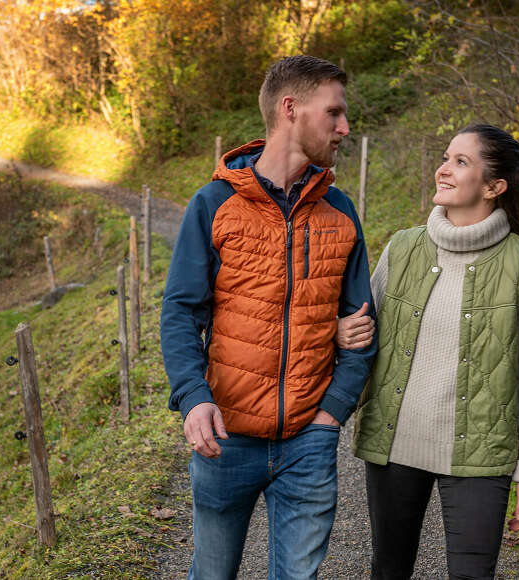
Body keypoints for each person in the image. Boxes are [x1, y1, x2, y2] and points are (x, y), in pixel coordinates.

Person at [160, 55, 378, 580]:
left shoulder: (341, 211)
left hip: (309, 440)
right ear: (290, 109)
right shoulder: (214, 204)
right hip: (226, 437)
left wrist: (331, 416)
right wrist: (193, 398)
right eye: (334, 113)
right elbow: (181, 312)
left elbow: (362, 327)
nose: (345, 128)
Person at [337, 124, 519, 580]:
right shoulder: (403, 247)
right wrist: (341, 334)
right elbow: (363, 332)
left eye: (461, 162)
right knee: (388, 570)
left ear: (494, 186)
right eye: (445, 157)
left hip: (480, 453)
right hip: (396, 442)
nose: (443, 169)